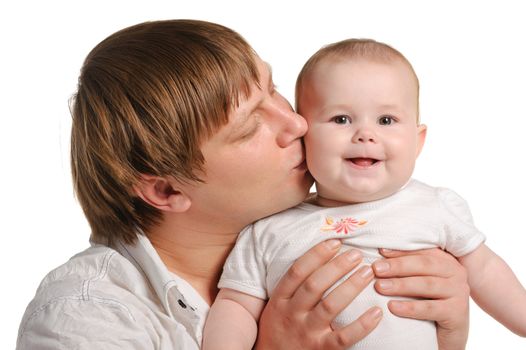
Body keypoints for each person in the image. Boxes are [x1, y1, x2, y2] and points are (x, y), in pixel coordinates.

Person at [16, 21, 471, 350]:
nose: (296, 122)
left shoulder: (343, 236)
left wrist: (446, 333)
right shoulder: (85, 316)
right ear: (167, 191)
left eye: (272, 90)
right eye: (251, 124)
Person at [203, 39, 526, 350]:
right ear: (305, 136)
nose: (366, 135)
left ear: (418, 142)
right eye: (341, 119)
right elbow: (236, 305)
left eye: (386, 120)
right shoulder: (267, 229)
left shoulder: (435, 206)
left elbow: (484, 270)